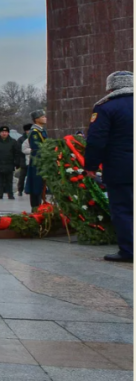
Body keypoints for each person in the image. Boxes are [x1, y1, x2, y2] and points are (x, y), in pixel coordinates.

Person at [85, 71, 133, 262]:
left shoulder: (105, 107)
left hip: (121, 166)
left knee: (123, 208)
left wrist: (91, 166)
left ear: (111, 87)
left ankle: (129, 250)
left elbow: (96, 140)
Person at [25, 110, 49, 210]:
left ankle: (39, 206)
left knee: (40, 184)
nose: (45, 118)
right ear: (37, 119)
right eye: (42, 116)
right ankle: (35, 207)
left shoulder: (41, 130)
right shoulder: (34, 132)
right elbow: (36, 147)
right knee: (36, 183)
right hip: (37, 161)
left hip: (42, 160)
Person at [0, 126, 20, 199]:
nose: (4, 133)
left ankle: (10, 194)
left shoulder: (13, 141)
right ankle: (0, 194)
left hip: (9, 164)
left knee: (9, 181)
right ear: (0, 133)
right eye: (2, 132)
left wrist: (16, 163)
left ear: (8, 133)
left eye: (5, 132)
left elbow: (17, 153)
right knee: (0, 181)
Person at [16, 124, 31, 197]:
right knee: (22, 176)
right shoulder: (21, 139)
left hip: (33, 160)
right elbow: (19, 150)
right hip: (23, 160)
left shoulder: (34, 138)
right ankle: (20, 190)